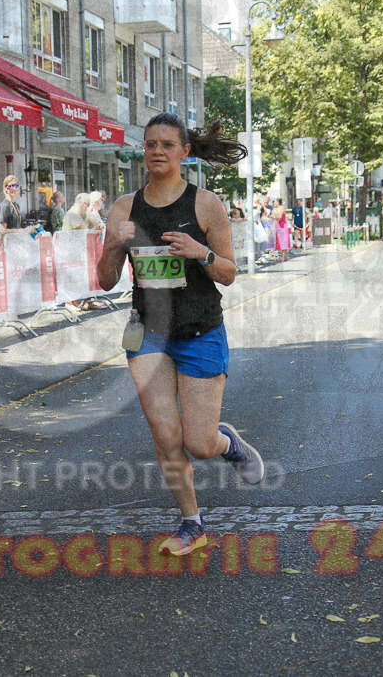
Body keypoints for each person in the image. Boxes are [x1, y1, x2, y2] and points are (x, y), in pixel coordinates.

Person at [96, 112, 264, 557]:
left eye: (167, 145)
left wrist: (200, 251)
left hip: (199, 330)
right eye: (150, 144)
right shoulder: (123, 207)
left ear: (184, 152)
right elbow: (106, 281)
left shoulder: (206, 205)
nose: (156, 151)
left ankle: (225, 442)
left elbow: (228, 273)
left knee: (198, 443)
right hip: (145, 330)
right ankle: (192, 523)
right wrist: (113, 244)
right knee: (164, 434)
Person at [272, 197, 290, 261]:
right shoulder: (275, 209)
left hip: (282, 225)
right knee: (279, 240)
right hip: (277, 225)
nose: (273, 203)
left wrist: (272, 216)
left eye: (275, 202)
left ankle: (284, 255)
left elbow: (279, 217)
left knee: (284, 240)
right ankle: (282, 255)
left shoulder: (281, 208)